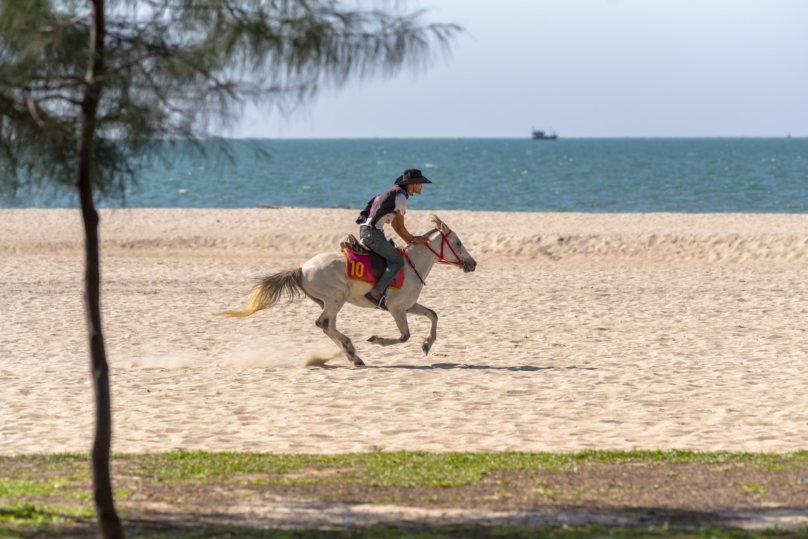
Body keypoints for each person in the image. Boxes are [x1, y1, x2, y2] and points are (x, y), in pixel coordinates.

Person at [355, 169, 432, 309]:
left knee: (392, 249)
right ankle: (375, 293)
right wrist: (413, 239)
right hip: (373, 234)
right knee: (397, 262)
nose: (422, 186)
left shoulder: (395, 193)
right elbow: (401, 228)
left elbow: (396, 227)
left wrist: (411, 241)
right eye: (420, 183)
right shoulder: (401, 197)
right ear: (413, 184)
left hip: (367, 231)